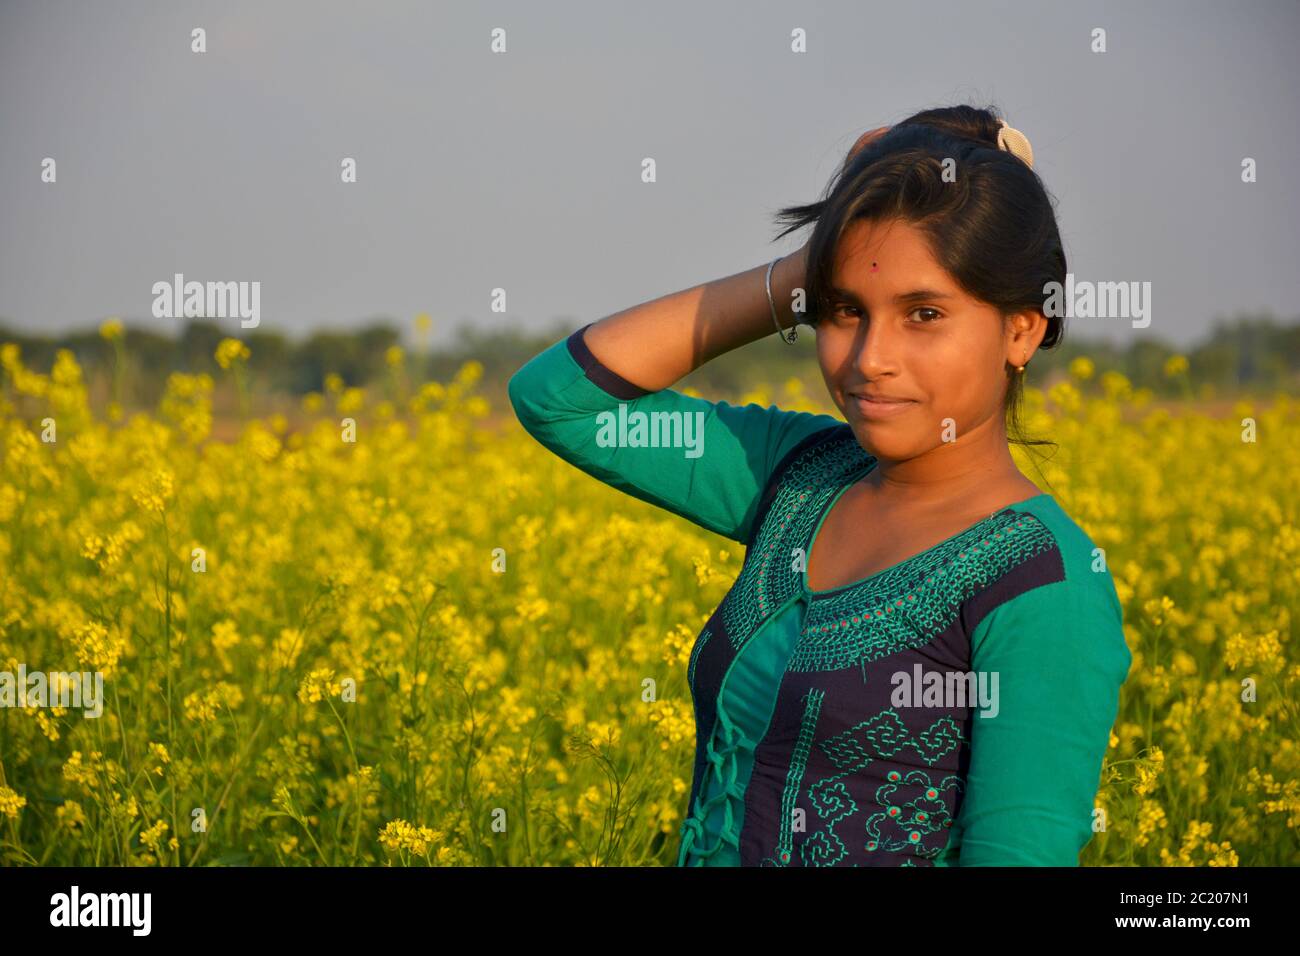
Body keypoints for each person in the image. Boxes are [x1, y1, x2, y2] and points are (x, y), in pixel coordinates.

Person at [507, 104, 1132, 866]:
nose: (870, 359)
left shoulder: (1042, 586)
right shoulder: (801, 476)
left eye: (923, 314)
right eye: (844, 311)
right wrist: (823, 256)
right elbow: (564, 402)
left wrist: (860, 243)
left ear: (1022, 330)